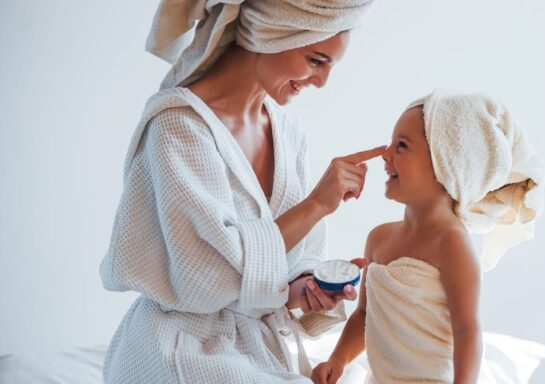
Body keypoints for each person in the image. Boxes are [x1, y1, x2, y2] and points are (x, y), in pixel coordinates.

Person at [98, 1, 379, 382]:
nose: (322, 81)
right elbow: (205, 279)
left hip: (257, 346)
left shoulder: (288, 132)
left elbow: (282, 266)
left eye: (330, 66)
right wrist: (316, 205)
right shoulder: (177, 127)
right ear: (272, 32)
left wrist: (305, 289)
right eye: (316, 60)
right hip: (184, 346)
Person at [311, 90, 545, 384]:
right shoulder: (378, 239)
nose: (386, 155)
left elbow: (466, 329)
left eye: (402, 146)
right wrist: (338, 359)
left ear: (445, 163)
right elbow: (364, 315)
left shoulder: (451, 243)